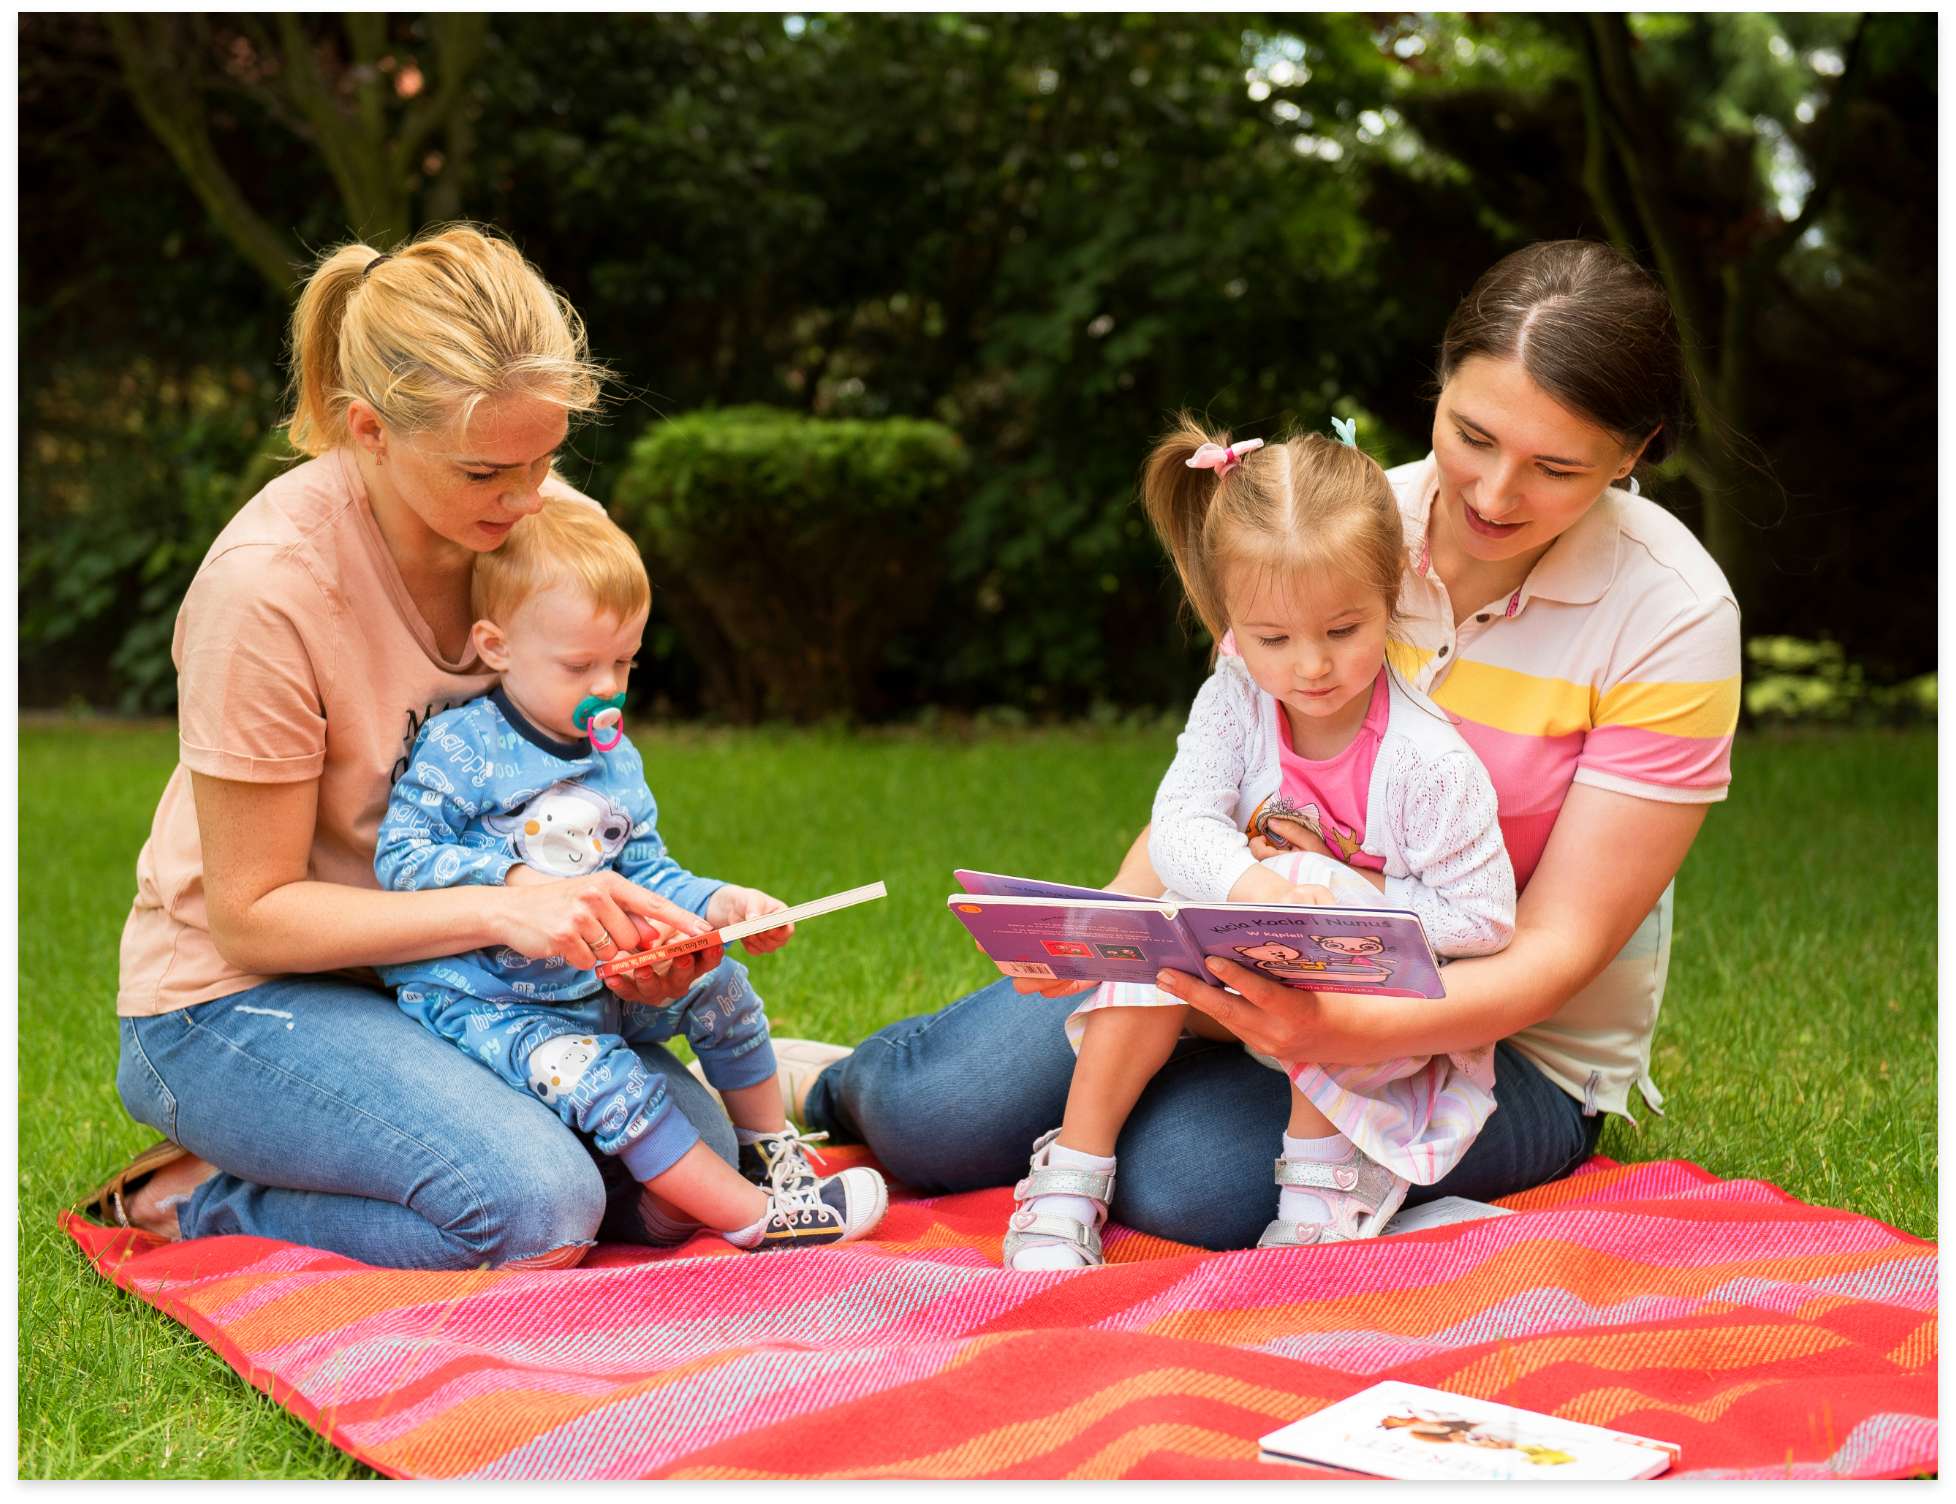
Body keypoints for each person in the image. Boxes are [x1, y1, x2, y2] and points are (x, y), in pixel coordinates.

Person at [791, 239, 1741, 1250]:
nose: (1497, 494)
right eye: (1474, 435)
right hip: (1237, 958)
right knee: (930, 1113)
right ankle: (831, 1076)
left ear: (1633, 451)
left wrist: (1338, 1029)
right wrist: (1113, 938)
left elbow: (1551, 953)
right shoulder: (1332, 524)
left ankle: (1169, 1113)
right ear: (1440, 382)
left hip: (1494, 1042)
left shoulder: (1671, 615)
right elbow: (1217, 786)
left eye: (1556, 468)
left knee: (1184, 1184)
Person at [83, 224, 745, 1270]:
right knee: (536, 1208)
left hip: (461, 983)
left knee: (689, 1173)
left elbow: (574, 791)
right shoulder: (269, 588)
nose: (530, 499)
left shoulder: (546, 532)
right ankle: (205, 1196)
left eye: (545, 456)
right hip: (240, 1003)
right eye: (488, 470)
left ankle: (381, 1138)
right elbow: (249, 917)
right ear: (370, 430)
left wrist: (630, 946)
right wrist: (508, 906)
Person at [1002, 421, 1515, 1269]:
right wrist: (1248, 886)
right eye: (1272, 639)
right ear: (1229, 621)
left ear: (1391, 592)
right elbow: (1180, 823)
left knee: (1303, 882)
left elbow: (1485, 917)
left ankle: (1319, 1186)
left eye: (1342, 631)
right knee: (1163, 921)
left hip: (1370, 1020)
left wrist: (1334, 894)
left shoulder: (1429, 762)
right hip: (1238, 974)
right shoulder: (1237, 696)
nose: (1309, 666)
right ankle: (1072, 1174)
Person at [376, 496, 887, 1250]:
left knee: (725, 993)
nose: (607, 686)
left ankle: (769, 1155)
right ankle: (755, 1221)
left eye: (624, 662)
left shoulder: (613, 754)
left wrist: (719, 904)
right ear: (497, 645)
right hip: (491, 1002)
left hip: (600, 982)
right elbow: (402, 858)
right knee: (615, 1084)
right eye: (581, 665)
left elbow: (646, 869)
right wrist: (520, 885)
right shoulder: (462, 747)